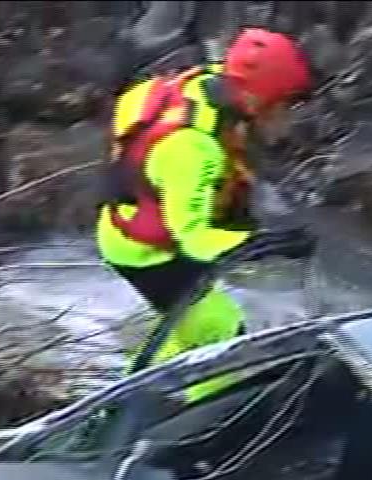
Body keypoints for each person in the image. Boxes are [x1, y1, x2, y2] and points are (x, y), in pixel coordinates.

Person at [96, 28, 313, 405]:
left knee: (182, 321)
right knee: (222, 333)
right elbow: (193, 239)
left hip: (123, 225)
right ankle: (200, 422)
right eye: (284, 103)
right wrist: (258, 244)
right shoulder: (191, 149)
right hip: (145, 252)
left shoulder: (208, 83)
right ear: (258, 97)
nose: (288, 113)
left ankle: (130, 387)